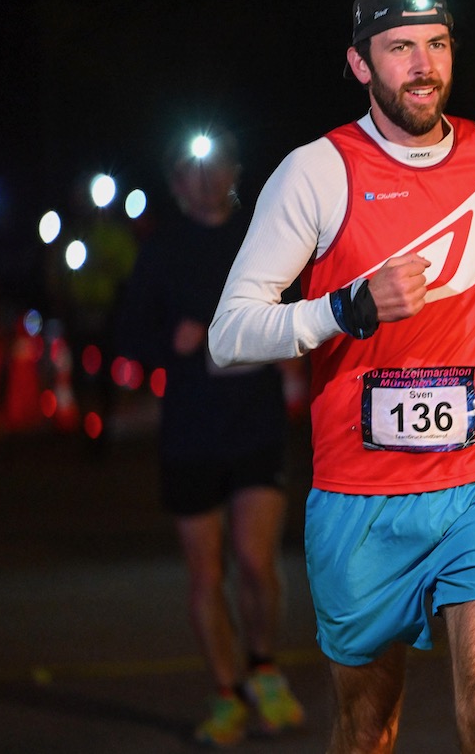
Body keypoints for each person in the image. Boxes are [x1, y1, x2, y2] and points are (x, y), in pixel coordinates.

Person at [207, 0, 475, 753]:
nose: (423, 64)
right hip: (361, 493)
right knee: (369, 726)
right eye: (400, 48)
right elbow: (228, 333)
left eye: (436, 44)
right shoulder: (317, 172)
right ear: (361, 63)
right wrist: (345, 308)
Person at [116, 130, 305, 746]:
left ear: (235, 169)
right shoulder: (162, 249)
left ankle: (264, 668)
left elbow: (302, 307)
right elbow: (129, 333)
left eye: (215, 164)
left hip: (255, 422)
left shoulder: (264, 233)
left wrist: (285, 342)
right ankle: (226, 694)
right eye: (189, 170)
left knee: (255, 560)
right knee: (206, 575)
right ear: (175, 183)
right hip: (191, 432)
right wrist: (169, 345)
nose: (203, 178)